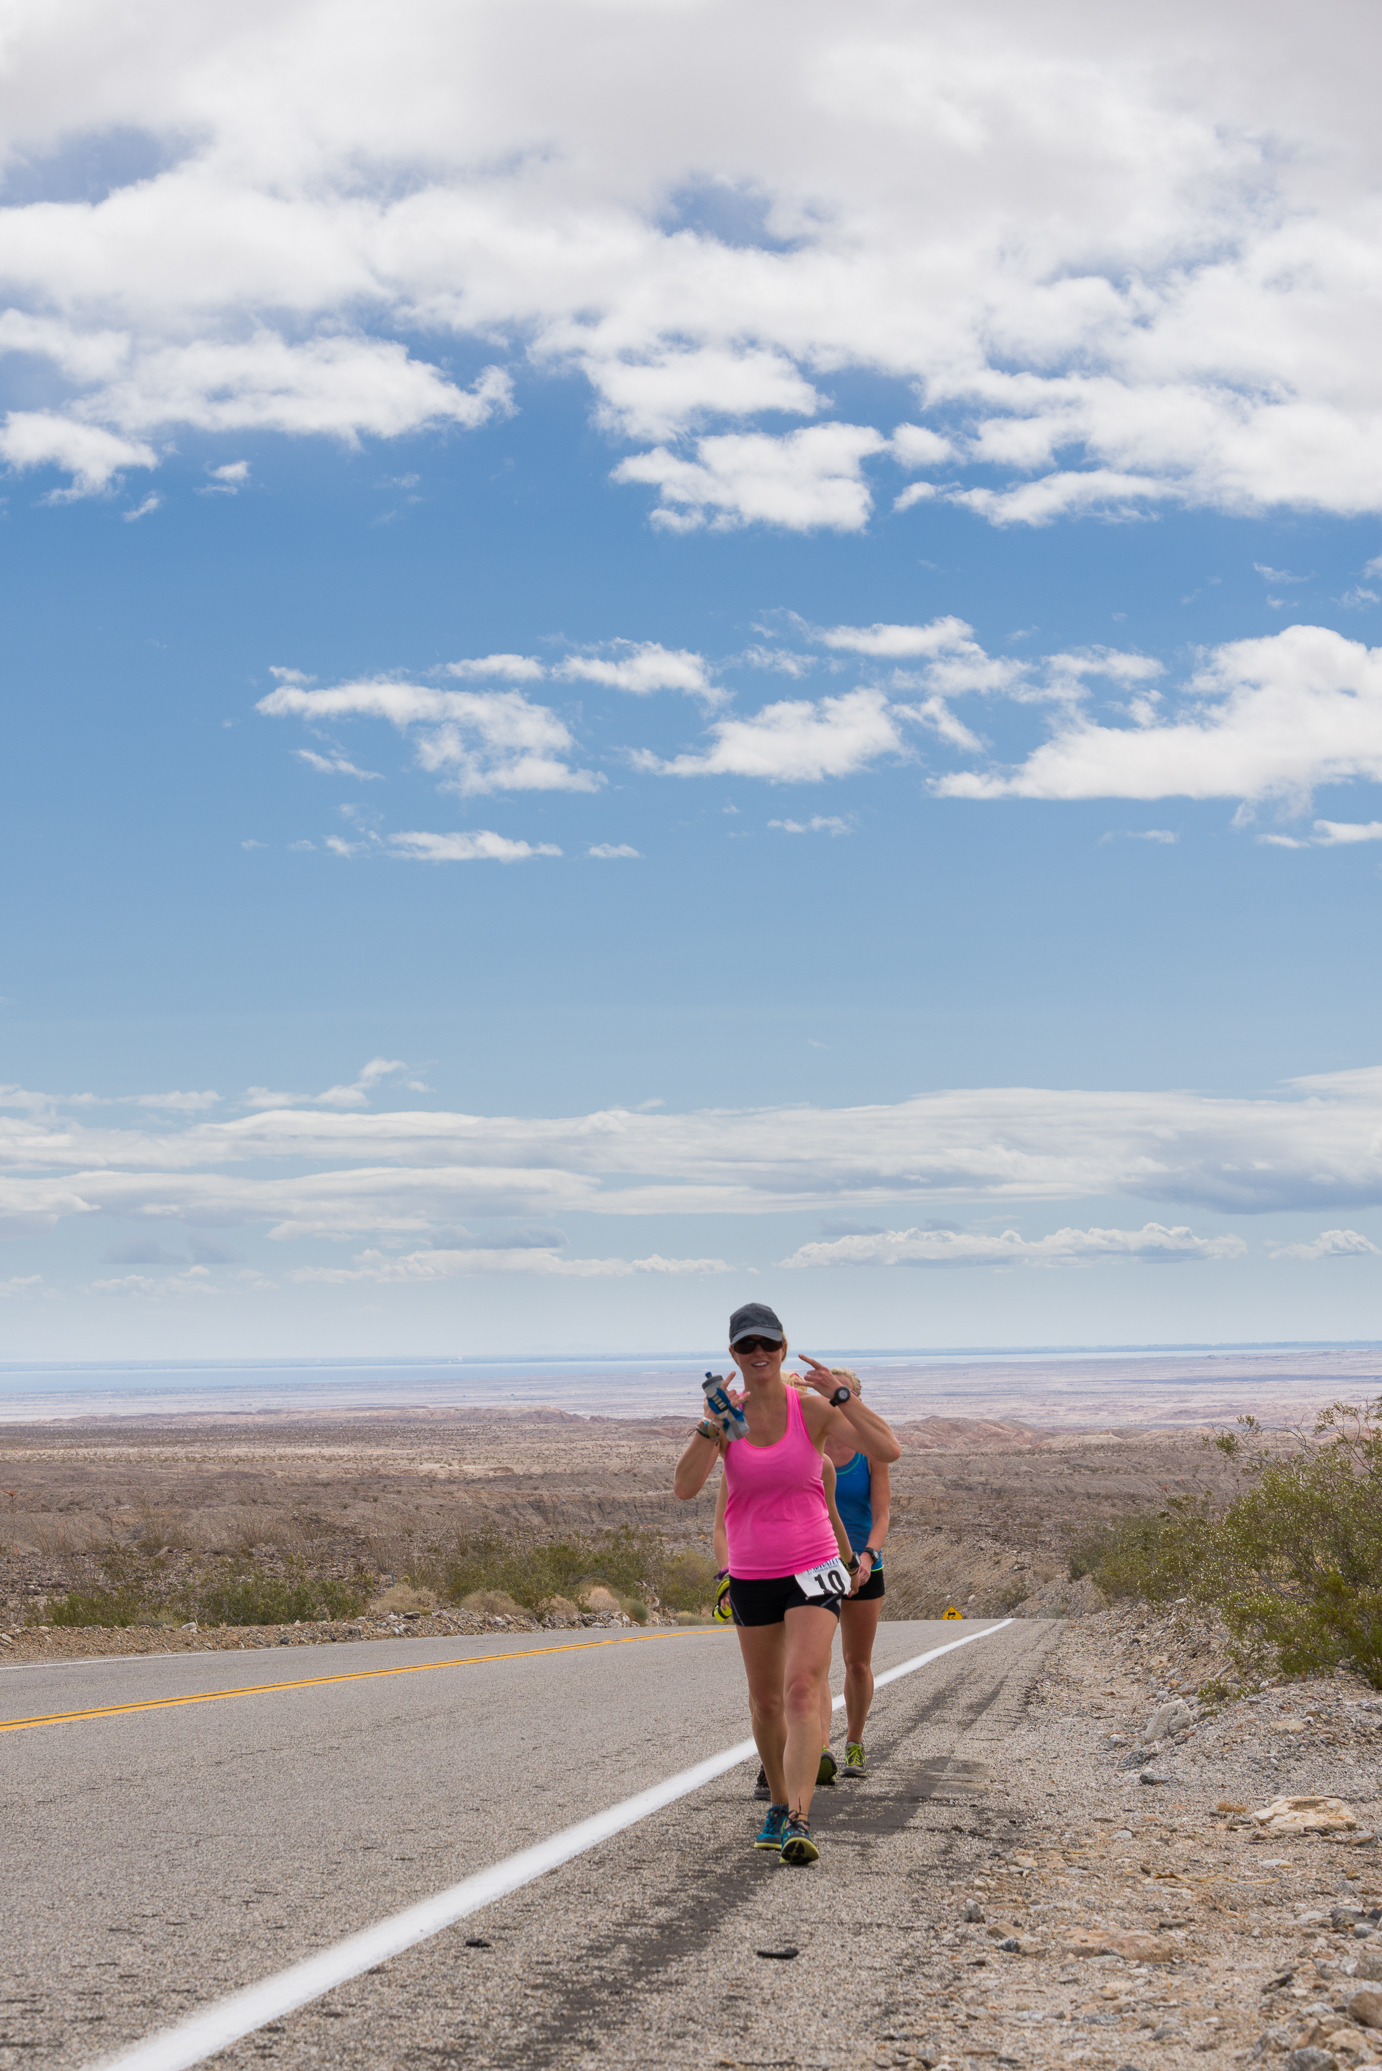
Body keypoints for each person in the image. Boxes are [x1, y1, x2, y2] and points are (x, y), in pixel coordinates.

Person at [675, 1301, 901, 1867]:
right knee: (767, 1700)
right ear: (733, 1354)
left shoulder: (813, 1411)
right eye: (747, 1346)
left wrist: (842, 1395)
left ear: (782, 1348)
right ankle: (777, 1800)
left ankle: (800, 1816)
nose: (758, 1355)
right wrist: (709, 1423)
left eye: (768, 1345)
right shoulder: (727, 1419)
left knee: (804, 1686)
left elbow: (888, 1450)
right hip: (753, 1572)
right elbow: (684, 1488)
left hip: (815, 1566)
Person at [712, 1422, 855, 1797]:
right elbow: (721, 1527)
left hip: (811, 1574)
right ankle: (773, 1763)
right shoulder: (738, 1458)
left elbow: (830, 1515)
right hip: (756, 1576)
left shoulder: (820, 1464)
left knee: (808, 1675)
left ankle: (814, 1751)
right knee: (768, 1690)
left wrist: (849, 1562)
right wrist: (727, 1577)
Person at [816, 1367, 890, 1779]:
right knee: (816, 1661)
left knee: (856, 1662)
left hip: (864, 1566)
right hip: (817, 1563)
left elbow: (881, 1514)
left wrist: (867, 1555)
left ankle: (855, 1742)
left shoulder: (870, 1450)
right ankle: (821, 1746)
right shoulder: (812, 1444)